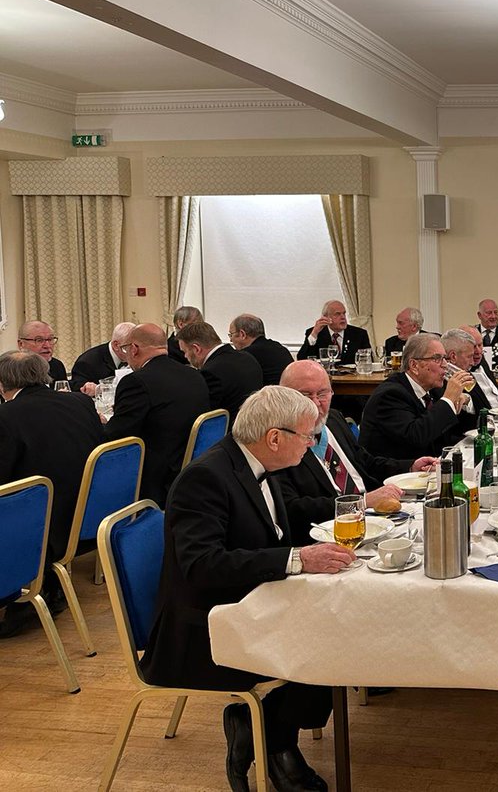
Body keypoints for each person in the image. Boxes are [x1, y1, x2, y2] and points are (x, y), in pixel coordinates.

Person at [140, 386, 355, 792]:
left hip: (249, 597)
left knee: (341, 622)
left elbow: (275, 524)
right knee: (329, 642)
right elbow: (202, 566)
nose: (312, 446)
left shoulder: (256, 462)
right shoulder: (205, 478)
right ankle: (275, 741)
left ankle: (264, 726)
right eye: (308, 437)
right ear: (275, 437)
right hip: (202, 625)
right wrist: (298, 560)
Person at [0, 351, 103, 637]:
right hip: (84, 515)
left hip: (40, 525)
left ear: (2, 383)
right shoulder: (80, 403)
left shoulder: (7, 416)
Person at [275, 360, 435, 527]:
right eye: (305, 396)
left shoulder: (334, 419)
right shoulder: (281, 441)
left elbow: (365, 462)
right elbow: (293, 509)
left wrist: (410, 467)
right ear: (285, 398)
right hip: (331, 528)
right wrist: (362, 502)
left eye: (322, 393)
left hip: (377, 516)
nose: (316, 403)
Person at [102, 323, 210, 506]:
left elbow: (116, 435)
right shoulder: (194, 375)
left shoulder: (136, 382)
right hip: (191, 464)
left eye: (126, 349)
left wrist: (101, 422)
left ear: (134, 349)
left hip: (155, 476)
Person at [358, 334, 471, 461]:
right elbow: (417, 437)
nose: (445, 365)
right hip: (395, 473)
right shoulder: (390, 395)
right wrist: (448, 400)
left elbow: (444, 434)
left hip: (428, 466)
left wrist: (463, 398)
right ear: (414, 365)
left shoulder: (433, 389)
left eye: (444, 358)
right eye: (437, 358)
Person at [177, 321, 264, 425]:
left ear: (196, 349)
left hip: (232, 433)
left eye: (185, 352)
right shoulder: (248, 358)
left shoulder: (210, 372)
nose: (185, 357)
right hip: (258, 425)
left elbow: (205, 414)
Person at [295, 300, 371, 365]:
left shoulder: (359, 334)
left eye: (344, 313)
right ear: (326, 317)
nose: (343, 317)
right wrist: (314, 334)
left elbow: (369, 360)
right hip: (324, 378)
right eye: (337, 314)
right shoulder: (315, 333)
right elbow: (302, 360)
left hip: (353, 379)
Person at [70, 321, 135, 395]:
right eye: (130, 346)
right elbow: (77, 389)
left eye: (136, 346)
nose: (134, 351)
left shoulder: (137, 356)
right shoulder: (87, 362)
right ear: (116, 345)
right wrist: (94, 389)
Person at [228, 314, 293, 386]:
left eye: (231, 335)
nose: (231, 340)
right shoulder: (280, 348)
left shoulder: (246, 356)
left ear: (242, 334)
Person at [460, 325, 498, 406]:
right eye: (473, 347)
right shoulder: (459, 373)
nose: (478, 351)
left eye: (480, 345)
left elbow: (495, 391)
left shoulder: (482, 360)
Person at [16, 320, 67, 384]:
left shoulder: (57, 365)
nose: (47, 346)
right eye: (39, 340)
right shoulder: (11, 369)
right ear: (21, 344)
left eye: (50, 339)